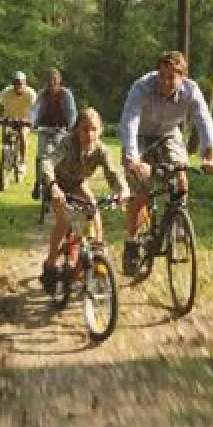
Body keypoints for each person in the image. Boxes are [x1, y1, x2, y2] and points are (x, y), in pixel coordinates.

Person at [119, 50, 213, 277]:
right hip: (140, 137)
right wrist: (133, 159)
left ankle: (177, 221)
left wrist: (209, 155)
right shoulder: (142, 87)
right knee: (140, 191)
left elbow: (203, 121)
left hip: (168, 134)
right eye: (161, 76)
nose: (165, 81)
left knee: (180, 174)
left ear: (182, 77)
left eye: (171, 77)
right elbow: (130, 121)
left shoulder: (191, 91)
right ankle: (132, 243)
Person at [37, 108, 129, 294]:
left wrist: (123, 189)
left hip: (78, 182)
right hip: (57, 184)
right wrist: (53, 186)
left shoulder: (102, 150)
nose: (89, 134)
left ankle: (98, 257)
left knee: (93, 209)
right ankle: (50, 264)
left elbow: (113, 173)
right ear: (76, 130)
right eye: (84, 129)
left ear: (101, 130)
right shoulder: (67, 143)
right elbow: (47, 162)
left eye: (94, 129)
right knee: (63, 223)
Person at [30, 67, 78, 199]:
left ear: (59, 81)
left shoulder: (66, 94)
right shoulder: (42, 94)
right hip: (45, 128)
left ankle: (64, 181)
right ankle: (38, 182)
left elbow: (72, 114)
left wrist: (71, 127)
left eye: (54, 81)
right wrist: (31, 122)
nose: (51, 84)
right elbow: (35, 109)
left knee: (62, 155)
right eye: (49, 82)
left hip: (61, 129)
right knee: (41, 154)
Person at [0, 70, 37, 176]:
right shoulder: (6, 92)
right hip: (10, 118)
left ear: (25, 83)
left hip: (25, 120)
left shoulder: (31, 94)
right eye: (16, 83)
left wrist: (30, 120)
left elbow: (35, 110)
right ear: (12, 84)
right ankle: (7, 157)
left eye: (20, 83)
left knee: (22, 134)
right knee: (5, 133)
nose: (18, 86)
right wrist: (0, 117)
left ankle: (23, 161)